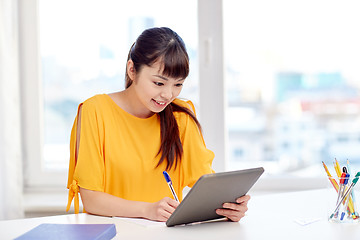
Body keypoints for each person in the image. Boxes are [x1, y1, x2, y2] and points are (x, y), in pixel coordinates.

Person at [66, 27, 250, 222]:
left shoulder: (181, 116)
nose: (168, 95)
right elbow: (92, 200)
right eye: (159, 83)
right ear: (132, 70)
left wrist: (228, 206)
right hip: (115, 232)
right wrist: (147, 210)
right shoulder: (95, 111)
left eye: (178, 84)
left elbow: (205, 186)